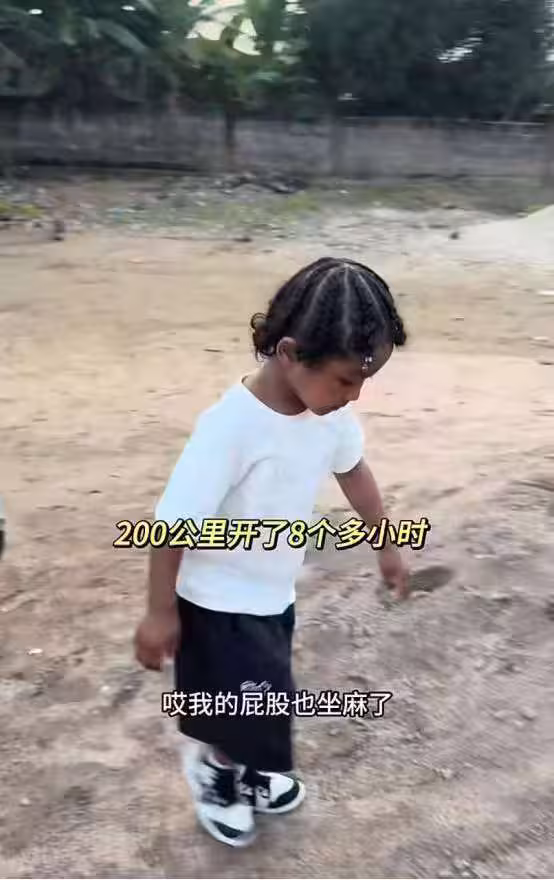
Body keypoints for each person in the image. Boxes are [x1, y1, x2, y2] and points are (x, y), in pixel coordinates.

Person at [134, 256, 412, 847]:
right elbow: (172, 522)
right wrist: (159, 611)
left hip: (271, 591)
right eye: (345, 380)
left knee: (265, 694)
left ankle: (252, 770)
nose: (354, 395)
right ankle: (217, 773)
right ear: (289, 353)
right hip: (214, 601)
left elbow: (354, 471)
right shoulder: (231, 427)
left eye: (364, 381)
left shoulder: (329, 416)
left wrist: (387, 544)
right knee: (239, 702)